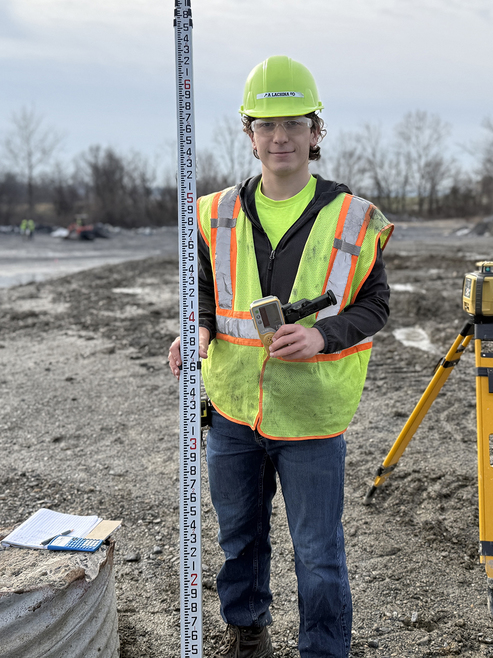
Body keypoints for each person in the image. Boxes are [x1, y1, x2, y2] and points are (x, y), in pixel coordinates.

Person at [168, 55, 393, 658]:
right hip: (234, 412)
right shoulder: (213, 213)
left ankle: (323, 650)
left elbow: (376, 304)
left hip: (312, 417)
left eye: (293, 123)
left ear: (316, 131)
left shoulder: (351, 217)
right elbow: (205, 294)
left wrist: (324, 336)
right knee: (239, 538)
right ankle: (247, 629)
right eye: (266, 125)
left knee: (318, 553)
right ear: (248, 134)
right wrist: (195, 332)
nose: (280, 136)